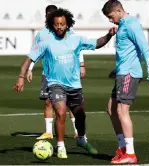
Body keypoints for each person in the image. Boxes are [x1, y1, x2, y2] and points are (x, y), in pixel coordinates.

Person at [14, 8, 116, 159]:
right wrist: (21, 77)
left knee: (81, 115)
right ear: (52, 25)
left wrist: (108, 35)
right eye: (56, 24)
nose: (60, 27)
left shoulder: (76, 39)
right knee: (60, 112)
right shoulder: (46, 42)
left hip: (74, 85)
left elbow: (97, 43)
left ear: (67, 24)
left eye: (62, 24)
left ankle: (81, 139)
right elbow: (28, 58)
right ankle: (61, 146)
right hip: (55, 84)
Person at [101, 0, 149, 164]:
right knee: (111, 108)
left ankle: (131, 153)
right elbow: (128, 52)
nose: (110, 20)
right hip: (122, 72)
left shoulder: (132, 25)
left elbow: (145, 50)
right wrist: (117, 69)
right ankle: (123, 148)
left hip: (129, 74)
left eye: (111, 16)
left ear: (119, 11)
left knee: (121, 110)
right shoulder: (122, 26)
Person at [26, 5, 85, 140]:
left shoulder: (68, 31)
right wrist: (30, 69)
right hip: (48, 74)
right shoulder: (41, 34)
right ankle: (48, 132)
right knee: (47, 101)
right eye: (48, 14)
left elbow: (77, 48)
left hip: (67, 73)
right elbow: (35, 52)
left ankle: (77, 131)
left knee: (70, 103)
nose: (51, 16)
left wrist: (82, 65)